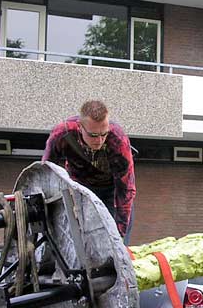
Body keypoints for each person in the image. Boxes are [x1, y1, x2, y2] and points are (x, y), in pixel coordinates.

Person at [43, 100, 136, 244]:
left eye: (103, 134)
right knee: (77, 242)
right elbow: (47, 172)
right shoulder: (62, 133)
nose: (99, 140)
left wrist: (119, 235)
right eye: (93, 135)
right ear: (80, 127)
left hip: (112, 193)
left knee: (115, 246)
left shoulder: (118, 140)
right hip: (79, 189)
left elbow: (126, 190)